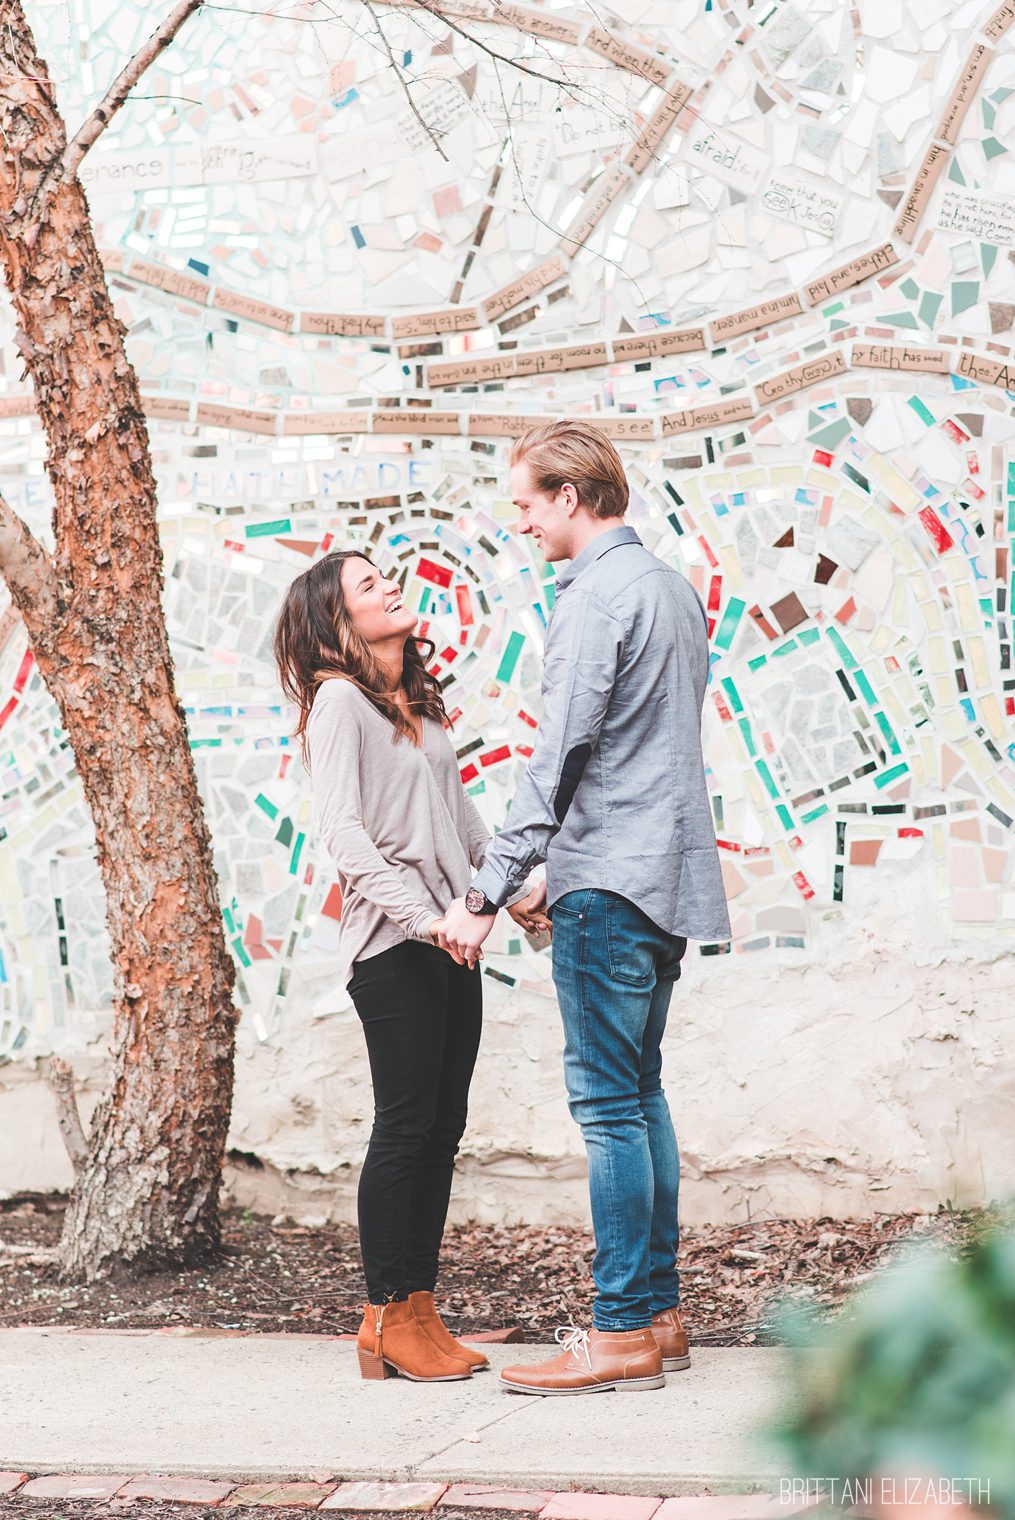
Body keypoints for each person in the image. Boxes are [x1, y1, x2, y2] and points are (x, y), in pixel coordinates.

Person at [437, 421, 732, 1396]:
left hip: (606, 883)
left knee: (609, 1107)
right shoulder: (670, 590)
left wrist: (487, 889)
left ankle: (615, 1331)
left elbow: (557, 757)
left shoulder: (594, 600)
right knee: (640, 1096)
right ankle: (656, 1314)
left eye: (524, 502)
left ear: (570, 496)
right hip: (662, 881)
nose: (518, 521)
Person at [274, 550, 545, 1384]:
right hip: (394, 945)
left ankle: (419, 1310)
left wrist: (511, 893)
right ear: (336, 619)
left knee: (441, 1130)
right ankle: (386, 1314)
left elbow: (461, 822)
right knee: (404, 1127)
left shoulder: (418, 707)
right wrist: (426, 918)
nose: (389, 588)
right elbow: (344, 839)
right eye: (367, 586)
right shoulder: (339, 702)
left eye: (385, 578)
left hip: (448, 940)